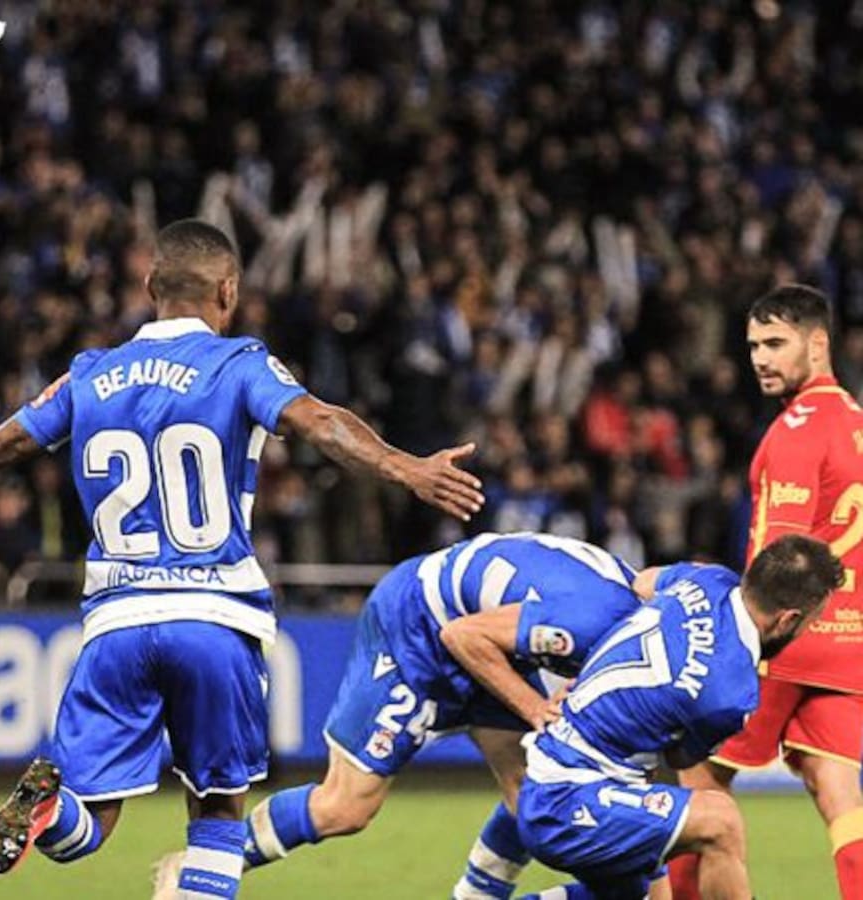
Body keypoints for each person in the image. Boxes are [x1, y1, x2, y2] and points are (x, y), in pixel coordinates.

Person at [0, 218, 485, 899]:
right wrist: (407, 468)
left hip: (117, 622)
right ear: (228, 292)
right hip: (214, 615)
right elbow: (322, 422)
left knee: (88, 823)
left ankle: (50, 810)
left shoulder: (90, 375)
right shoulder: (240, 363)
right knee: (217, 812)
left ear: (151, 286)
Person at [153, 531, 646, 900]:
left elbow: (656, 579)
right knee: (345, 807)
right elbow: (461, 636)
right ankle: (200, 865)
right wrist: (536, 707)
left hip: (493, 640)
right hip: (421, 626)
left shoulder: (642, 604)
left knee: (535, 793)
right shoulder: (594, 628)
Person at [670, 285, 863, 900]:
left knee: (695, 783)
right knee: (840, 796)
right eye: (754, 345)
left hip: (780, 641)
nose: (760, 358)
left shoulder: (796, 431)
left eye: (776, 343)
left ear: (818, 344)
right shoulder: (856, 422)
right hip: (848, 644)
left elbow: (779, 562)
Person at [518, 534, 842, 900]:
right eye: (811, 623)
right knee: (720, 822)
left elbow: (641, 584)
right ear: (786, 620)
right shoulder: (731, 693)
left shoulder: (706, 578)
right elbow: (679, 757)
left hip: (564, 769)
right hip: (569, 796)